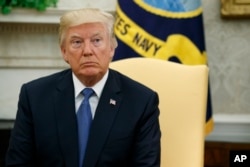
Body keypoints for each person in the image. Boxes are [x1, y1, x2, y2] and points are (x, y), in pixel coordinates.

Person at [5, 8, 161, 167]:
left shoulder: (141, 102)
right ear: (64, 52)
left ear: (111, 49)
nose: (87, 51)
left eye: (97, 40)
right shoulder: (34, 97)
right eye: (77, 42)